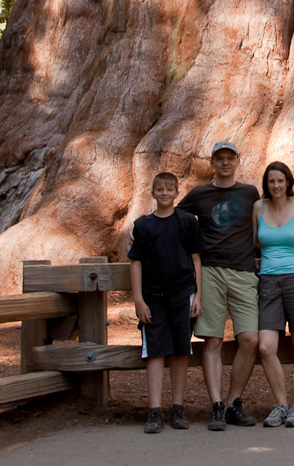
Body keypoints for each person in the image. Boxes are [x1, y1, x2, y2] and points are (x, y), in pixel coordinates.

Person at [176, 141, 261, 431]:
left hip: (244, 271)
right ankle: (216, 405)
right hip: (210, 272)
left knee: (250, 339)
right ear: (212, 163)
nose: (225, 163)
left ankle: (233, 402)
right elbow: (175, 220)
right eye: (219, 159)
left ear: (238, 161)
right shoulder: (200, 195)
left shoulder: (250, 193)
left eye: (230, 158)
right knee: (212, 340)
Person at [128, 172, 205, 433]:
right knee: (156, 351)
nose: (164, 193)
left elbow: (196, 260)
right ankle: (154, 410)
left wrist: (199, 295)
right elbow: (136, 263)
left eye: (169, 189)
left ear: (176, 193)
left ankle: (178, 407)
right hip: (154, 297)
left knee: (181, 350)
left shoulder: (187, 222)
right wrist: (138, 299)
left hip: (182, 295)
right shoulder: (143, 225)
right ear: (152, 193)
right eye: (159, 189)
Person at [252, 161, 294, 428]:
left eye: (280, 181)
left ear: (288, 182)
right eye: (271, 181)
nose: (276, 185)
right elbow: (252, 243)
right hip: (268, 280)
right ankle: (281, 404)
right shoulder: (258, 207)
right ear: (266, 184)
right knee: (266, 346)